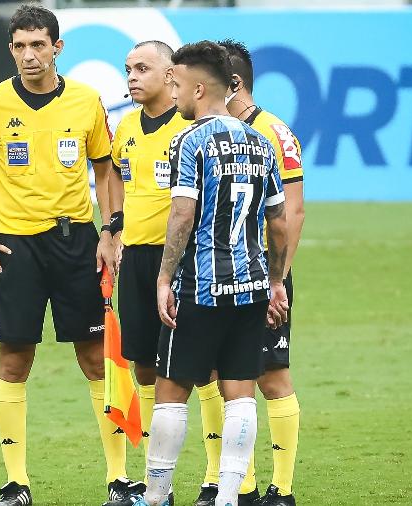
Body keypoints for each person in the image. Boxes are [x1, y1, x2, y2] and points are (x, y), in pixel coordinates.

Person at [0, 5, 135, 505]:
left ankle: (118, 479)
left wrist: (110, 231)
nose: (29, 56)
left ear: (58, 47)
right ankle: (16, 483)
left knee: (96, 358)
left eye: (38, 45)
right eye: (19, 46)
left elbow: (105, 169)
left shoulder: (85, 101)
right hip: (14, 247)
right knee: (13, 360)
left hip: (76, 243)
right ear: (10, 49)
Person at [129, 40, 289, 506]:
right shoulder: (261, 141)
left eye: (176, 84)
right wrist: (276, 280)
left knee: (171, 389)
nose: (173, 93)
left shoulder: (189, 140)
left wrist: (163, 278)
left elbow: (181, 215)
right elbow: (277, 222)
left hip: (201, 284)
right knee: (240, 390)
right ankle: (228, 496)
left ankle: (156, 494)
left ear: (198, 88)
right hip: (252, 283)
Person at [188, 39, 305, 506]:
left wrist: (279, 281)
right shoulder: (210, 135)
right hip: (216, 273)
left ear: (231, 84)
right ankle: (236, 484)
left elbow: (291, 213)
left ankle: (282, 488)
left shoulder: (275, 133)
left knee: (270, 374)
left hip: (261, 275)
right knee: (214, 374)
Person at [104, 39, 191, 506]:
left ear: (171, 72)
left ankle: (222, 477)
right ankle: (158, 482)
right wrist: (113, 226)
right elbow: (116, 174)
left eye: (142, 68)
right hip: (136, 258)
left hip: (180, 258)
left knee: (205, 365)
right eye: (128, 69)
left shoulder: (190, 125)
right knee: (143, 363)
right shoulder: (126, 127)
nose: (132, 77)